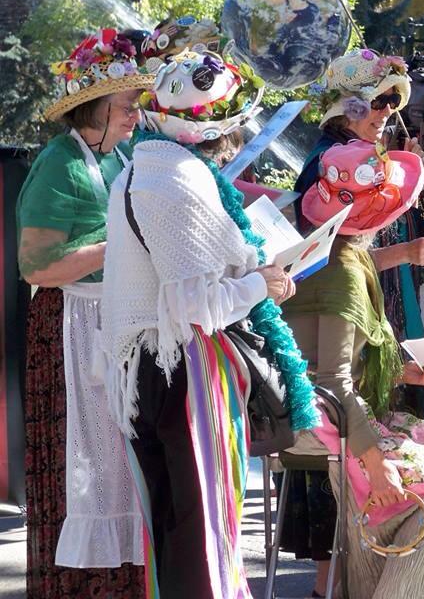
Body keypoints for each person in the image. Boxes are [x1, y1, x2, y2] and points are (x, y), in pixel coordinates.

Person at [100, 49, 317, 597]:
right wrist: (260, 285)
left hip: (148, 369)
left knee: (174, 522)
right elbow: (198, 305)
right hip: (187, 368)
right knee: (205, 524)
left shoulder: (140, 169)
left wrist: (253, 280)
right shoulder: (179, 182)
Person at [289, 140, 424, 599]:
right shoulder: (342, 269)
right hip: (322, 417)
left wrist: (406, 374)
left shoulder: (337, 254)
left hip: (329, 410)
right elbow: (332, 381)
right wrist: (377, 463)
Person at [284, 48, 424, 592]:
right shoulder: (334, 166)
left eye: (389, 103)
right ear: (343, 108)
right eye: (374, 102)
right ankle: (334, 585)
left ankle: (337, 582)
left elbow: (344, 255)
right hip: (328, 435)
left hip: (330, 425)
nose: (384, 113)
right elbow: (331, 382)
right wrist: (378, 460)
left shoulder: (335, 176)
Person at [17, 28, 154, 598]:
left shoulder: (117, 153)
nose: (135, 117)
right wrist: (119, 242)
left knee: (118, 471)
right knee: (82, 472)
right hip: (69, 326)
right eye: (126, 106)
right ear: (94, 107)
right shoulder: (58, 163)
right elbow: (36, 266)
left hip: (111, 321)